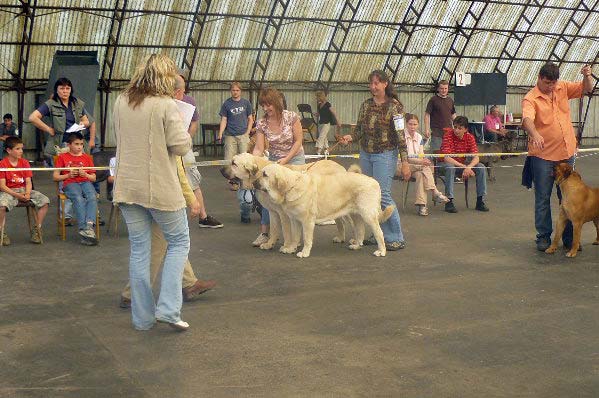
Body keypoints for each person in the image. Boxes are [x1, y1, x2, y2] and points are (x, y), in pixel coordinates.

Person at [112, 53, 192, 332]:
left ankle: (143, 319)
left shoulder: (121, 101)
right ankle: (169, 309)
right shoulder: (166, 105)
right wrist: (184, 126)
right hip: (160, 188)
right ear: (166, 77)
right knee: (179, 242)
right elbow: (181, 146)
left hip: (126, 187)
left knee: (139, 251)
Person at [115, 155, 217, 309]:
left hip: (137, 193)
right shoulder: (168, 138)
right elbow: (178, 171)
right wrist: (192, 199)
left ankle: (189, 283)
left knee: (167, 243)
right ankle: (133, 294)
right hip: (161, 197)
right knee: (161, 246)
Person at [522, 62, 594, 252]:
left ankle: (570, 239)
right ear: (539, 78)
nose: (550, 87)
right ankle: (543, 237)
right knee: (543, 198)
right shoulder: (530, 98)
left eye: (553, 83)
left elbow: (587, 89)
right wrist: (535, 134)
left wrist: (587, 75)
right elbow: (527, 119)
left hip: (566, 153)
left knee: (571, 199)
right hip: (543, 157)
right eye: (547, 83)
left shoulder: (562, 87)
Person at [340, 70, 410, 251]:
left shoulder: (396, 107)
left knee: (384, 195)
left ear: (385, 84)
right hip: (366, 154)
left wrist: (405, 162)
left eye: (377, 83)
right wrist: (350, 137)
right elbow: (359, 131)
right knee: (371, 197)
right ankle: (376, 234)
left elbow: (401, 136)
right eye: (371, 83)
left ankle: (395, 237)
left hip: (385, 155)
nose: (373, 87)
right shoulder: (365, 105)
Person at [251, 87, 305, 247]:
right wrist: (254, 160)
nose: (266, 109)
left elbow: (298, 141)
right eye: (263, 105)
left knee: (295, 199)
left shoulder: (292, 117)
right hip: (274, 162)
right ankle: (265, 233)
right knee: (268, 199)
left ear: (277, 103)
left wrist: (286, 158)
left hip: (294, 159)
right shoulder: (261, 123)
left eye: (269, 105)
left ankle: (296, 238)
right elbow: (259, 148)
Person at [174, 74, 223, 228]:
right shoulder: (163, 103)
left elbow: (194, 123)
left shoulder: (190, 101)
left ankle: (203, 216)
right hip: (167, 147)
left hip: (184, 146)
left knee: (193, 180)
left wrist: (187, 139)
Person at [0, 136, 49, 245]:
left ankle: (37, 229)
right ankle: (1, 232)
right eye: (17, 149)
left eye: (21, 148)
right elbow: (2, 186)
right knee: (1, 206)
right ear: (8, 150)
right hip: (9, 191)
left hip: (24, 189)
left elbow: (28, 182)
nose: (21, 151)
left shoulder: (25, 163)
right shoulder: (2, 164)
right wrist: (17, 195)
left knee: (45, 201)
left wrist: (27, 193)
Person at [29, 77, 90, 161]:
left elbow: (87, 121)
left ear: (71, 90)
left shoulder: (77, 103)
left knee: (80, 168)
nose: (65, 91)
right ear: (56, 90)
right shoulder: (51, 104)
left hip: (77, 143)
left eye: (67, 88)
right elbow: (33, 117)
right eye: (62, 88)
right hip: (61, 143)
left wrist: (81, 124)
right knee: (62, 170)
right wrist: (48, 129)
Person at [53, 132, 98, 245]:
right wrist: (67, 175)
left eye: (81, 144)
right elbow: (55, 176)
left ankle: (88, 226)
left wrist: (86, 175)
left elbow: (93, 178)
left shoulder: (87, 158)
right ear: (69, 145)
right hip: (70, 183)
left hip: (85, 181)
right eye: (76, 144)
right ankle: (85, 229)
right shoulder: (62, 157)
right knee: (78, 198)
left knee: (92, 196)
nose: (79, 147)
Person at [439, 116, 489, 213]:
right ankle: (449, 201)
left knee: (481, 167)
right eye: (455, 127)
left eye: (460, 128)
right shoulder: (448, 136)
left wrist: (469, 167)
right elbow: (447, 158)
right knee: (450, 167)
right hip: (445, 165)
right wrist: (465, 167)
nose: (456, 130)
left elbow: (476, 157)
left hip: (462, 165)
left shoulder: (470, 137)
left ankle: (480, 201)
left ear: (466, 129)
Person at [402, 114, 449, 216]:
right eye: (410, 124)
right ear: (406, 124)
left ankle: (422, 206)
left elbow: (421, 155)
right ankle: (435, 192)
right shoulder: (401, 136)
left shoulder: (419, 137)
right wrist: (422, 162)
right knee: (424, 167)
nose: (412, 126)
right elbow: (405, 157)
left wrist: (424, 160)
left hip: (417, 167)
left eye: (415, 124)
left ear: (418, 125)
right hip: (402, 165)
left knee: (421, 174)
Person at [424, 80, 456, 151]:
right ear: (438, 89)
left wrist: (458, 127)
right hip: (437, 133)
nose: (444, 90)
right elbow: (427, 115)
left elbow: (453, 115)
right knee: (436, 154)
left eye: (445, 88)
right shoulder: (433, 100)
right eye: (442, 88)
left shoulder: (450, 100)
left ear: (448, 89)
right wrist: (427, 129)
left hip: (449, 133)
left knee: (449, 154)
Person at [314, 90, 341, 155]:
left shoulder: (327, 104)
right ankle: (327, 149)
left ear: (320, 97)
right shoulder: (319, 105)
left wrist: (338, 121)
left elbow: (333, 113)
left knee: (321, 136)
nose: (316, 98)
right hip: (321, 123)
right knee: (324, 137)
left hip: (326, 123)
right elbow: (318, 114)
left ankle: (318, 150)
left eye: (317, 97)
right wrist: (315, 114)